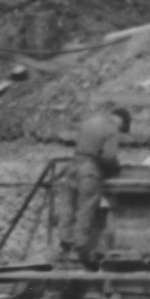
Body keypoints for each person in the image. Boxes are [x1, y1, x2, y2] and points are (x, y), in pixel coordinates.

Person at [54, 102, 130, 267]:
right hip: (89, 171)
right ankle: (77, 252)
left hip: (73, 166)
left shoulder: (89, 121)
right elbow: (109, 158)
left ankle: (64, 247)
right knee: (86, 210)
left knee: (68, 207)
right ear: (121, 121)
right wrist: (116, 168)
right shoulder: (112, 129)